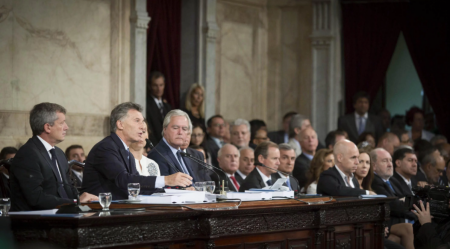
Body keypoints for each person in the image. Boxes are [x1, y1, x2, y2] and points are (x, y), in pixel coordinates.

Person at [82, 103, 192, 200]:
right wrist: (166, 180)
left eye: (143, 121)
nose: (143, 127)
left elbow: (140, 187)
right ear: (120, 124)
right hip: (100, 213)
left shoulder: (126, 152)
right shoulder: (106, 148)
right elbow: (123, 180)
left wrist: (178, 193)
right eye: (137, 121)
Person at [10, 103, 98, 211]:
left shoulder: (59, 153)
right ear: (48, 127)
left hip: (65, 214)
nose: (67, 127)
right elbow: (36, 198)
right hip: (36, 221)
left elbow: (69, 188)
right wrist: (76, 202)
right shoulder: (28, 154)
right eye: (62, 123)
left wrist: (85, 200)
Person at [368, 148, 415, 249]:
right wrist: (402, 202)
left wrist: (403, 202)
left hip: (403, 220)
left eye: (390, 160)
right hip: (390, 224)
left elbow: (410, 198)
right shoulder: (374, 181)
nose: (390, 164)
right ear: (374, 166)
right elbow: (394, 206)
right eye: (385, 161)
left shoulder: (393, 180)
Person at [147, 109, 210, 183]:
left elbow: (206, 183)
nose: (180, 132)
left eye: (184, 129)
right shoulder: (157, 155)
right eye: (175, 128)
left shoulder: (185, 154)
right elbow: (162, 188)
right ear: (165, 129)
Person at [146, 71, 172, 145]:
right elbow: (149, 129)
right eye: (155, 85)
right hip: (154, 146)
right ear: (150, 86)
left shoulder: (167, 106)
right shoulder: (146, 105)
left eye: (161, 85)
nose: (159, 88)